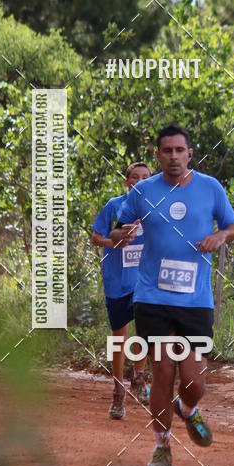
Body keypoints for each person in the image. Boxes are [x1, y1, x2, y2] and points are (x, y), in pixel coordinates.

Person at [111, 125, 234, 466]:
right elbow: (116, 229)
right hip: (152, 296)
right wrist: (122, 234)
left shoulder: (210, 188)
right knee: (163, 370)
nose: (173, 157)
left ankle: (187, 408)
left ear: (189, 154)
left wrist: (219, 236)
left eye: (179, 150)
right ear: (158, 156)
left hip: (196, 299)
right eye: (166, 151)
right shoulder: (142, 191)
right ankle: (161, 447)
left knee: (194, 381)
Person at [91, 162, 151, 419]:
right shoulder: (114, 206)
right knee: (119, 338)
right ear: (127, 182)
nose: (139, 181)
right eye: (134, 178)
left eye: (145, 178)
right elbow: (96, 237)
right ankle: (118, 392)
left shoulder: (155, 209)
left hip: (146, 282)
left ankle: (138, 378)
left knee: (146, 331)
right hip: (118, 282)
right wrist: (114, 243)